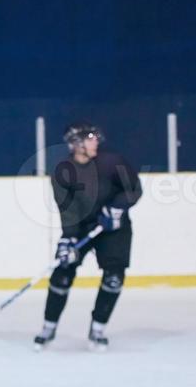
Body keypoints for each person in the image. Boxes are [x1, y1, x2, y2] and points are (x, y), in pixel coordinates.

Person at [35, 122, 143, 351]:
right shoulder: (63, 172)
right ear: (76, 144)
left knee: (114, 277)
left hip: (113, 226)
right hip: (82, 227)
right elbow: (68, 210)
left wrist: (117, 208)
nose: (96, 141)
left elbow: (134, 189)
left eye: (96, 137)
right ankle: (48, 326)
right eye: (91, 137)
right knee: (63, 272)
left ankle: (97, 329)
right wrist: (68, 239)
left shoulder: (112, 162)